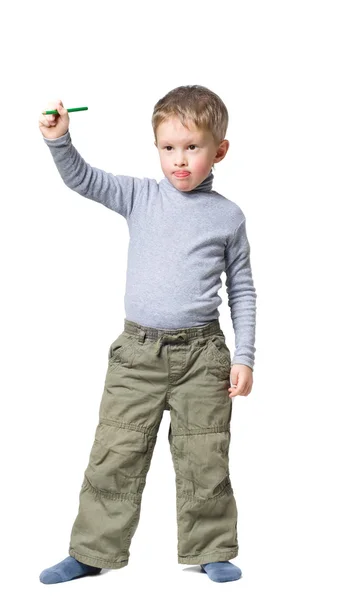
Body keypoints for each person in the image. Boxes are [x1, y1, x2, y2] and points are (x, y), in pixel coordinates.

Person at [37, 85, 257, 584]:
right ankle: (92, 550)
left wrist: (244, 356)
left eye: (193, 147)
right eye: (168, 148)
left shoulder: (228, 216)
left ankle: (211, 548)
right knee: (115, 452)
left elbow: (242, 290)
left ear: (219, 150)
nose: (180, 160)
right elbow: (84, 179)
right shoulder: (139, 195)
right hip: (138, 354)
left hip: (204, 355)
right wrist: (60, 141)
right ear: (156, 148)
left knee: (206, 455)